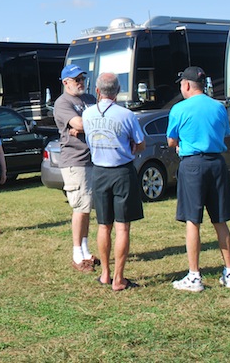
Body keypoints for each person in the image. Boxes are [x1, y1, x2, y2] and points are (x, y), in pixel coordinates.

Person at [166, 66, 230, 292]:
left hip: (193, 165)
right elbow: (224, 132)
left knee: (192, 220)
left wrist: (181, 145)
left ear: (187, 85)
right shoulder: (218, 107)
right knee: (220, 220)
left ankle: (194, 276)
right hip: (217, 163)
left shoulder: (179, 109)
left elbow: (171, 140)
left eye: (181, 85)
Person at [82, 73, 145, 291]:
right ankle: (119, 278)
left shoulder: (87, 114)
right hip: (122, 172)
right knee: (122, 227)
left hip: (99, 171)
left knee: (103, 225)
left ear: (97, 91)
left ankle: (105, 274)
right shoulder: (127, 115)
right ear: (117, 92)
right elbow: (140, 143)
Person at [53, 64, 99, 273]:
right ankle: (76, 253)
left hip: (93, 159)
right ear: (66, 83)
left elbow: (87, 123)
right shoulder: (62, 103)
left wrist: (83, 125)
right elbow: (79, 123)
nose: (81, 83)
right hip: (75, 160)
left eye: (82, 78)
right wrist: (81, 126)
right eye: (76, 79)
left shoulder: (89, 99)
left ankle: (86, 249)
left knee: (87, 207)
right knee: (80, 207)